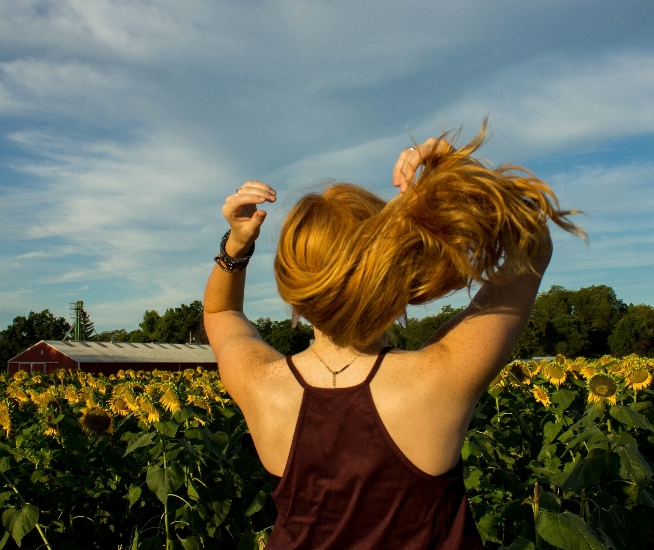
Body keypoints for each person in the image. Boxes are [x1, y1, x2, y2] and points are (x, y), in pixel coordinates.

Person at [203, 124, 583, 549]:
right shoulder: (441, 376)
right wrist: (455, 165)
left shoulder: (261, 386)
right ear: (396, 271)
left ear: (292, 292)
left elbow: (222, 311)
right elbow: (533, 238)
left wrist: (236, 245)